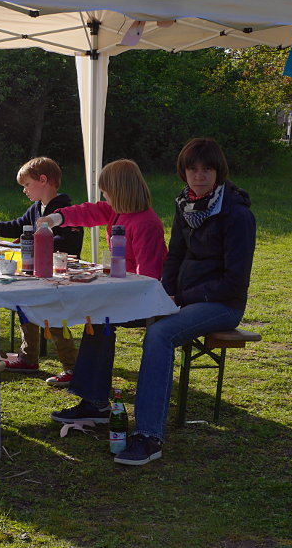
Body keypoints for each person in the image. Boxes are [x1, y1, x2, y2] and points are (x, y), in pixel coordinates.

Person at [114, 138, 256, 466]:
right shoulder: (185, 204)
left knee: (161, 335)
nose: (199, 175)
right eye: (193, 169)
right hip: (184, 298)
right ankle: (93, 402)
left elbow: (235, 279)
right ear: (184, 172)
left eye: (207, 169)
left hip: (221, 304)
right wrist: (163, 294)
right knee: (108, 313)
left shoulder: (237, 213)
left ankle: (149, 437)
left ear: (219, 171)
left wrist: (183, 298)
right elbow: (175, 254)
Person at [42, 159, 168, 424]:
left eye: (106, 191)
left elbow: (149, 279)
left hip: (146, 300)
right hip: (124, 292)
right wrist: (56, 217)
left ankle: (94, 402)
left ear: (120, 190)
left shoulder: (146, 223)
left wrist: (114, 289)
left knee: (99, 318)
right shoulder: (115, 211)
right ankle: (93, 400)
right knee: (96, 316)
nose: (103, 196)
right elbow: (87, 211)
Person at [0, 157, 83, 387]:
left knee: (54, 317)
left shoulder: (65, 209)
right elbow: (18, 225)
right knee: (25, 306)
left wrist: (30, 241)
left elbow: (68, 242)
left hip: (58, 273)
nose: (25, 190)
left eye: (27, 185)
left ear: (43, 180)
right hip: (35, 270)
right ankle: (28, 358)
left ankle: (72, 368)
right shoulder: (38, 207)